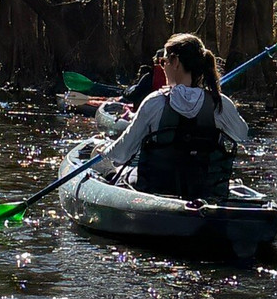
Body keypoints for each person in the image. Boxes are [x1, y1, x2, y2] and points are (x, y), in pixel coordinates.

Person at [96, 33, 248, 201]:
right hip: (204, 189)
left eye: (164, 61)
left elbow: (122, 153)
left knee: (114, 167)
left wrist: (104, 152)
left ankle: (109, 173)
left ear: (175, 62)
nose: (162, 67)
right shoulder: (220, 104)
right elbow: (241, 135)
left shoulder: (155, 102)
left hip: (157, 189)